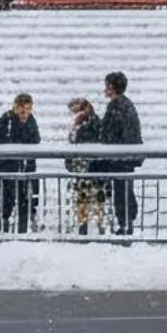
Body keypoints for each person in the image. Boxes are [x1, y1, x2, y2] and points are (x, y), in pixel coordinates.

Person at [0, 92, 40, 234]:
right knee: (5, 204)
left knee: (24, 203)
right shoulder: (6, 121)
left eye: (27, 109)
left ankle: (19, 233)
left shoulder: (31, 122)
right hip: (6, 171)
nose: (24, 113)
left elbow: (36, 141)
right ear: (15, 107)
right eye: (21, 109)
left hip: (24, 170)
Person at [96, 70, 143, 235]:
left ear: (111, 87)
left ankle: (125, 223)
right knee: (125, 189)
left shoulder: (117, 106)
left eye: (106, 86)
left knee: (121, 191)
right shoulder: (126, 104)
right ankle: (127, 220)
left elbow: (110, 133)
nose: (104, 89)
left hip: (120, 158)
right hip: (127, 156)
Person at [65, 97, 106, 236]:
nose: (75, 115)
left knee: (95, 200)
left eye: (76, 111)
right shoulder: (81, 125)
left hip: (90, 169)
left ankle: (97, 228)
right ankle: (86, 227)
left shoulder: (92, 124)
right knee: (84, 201)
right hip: (84, 169)